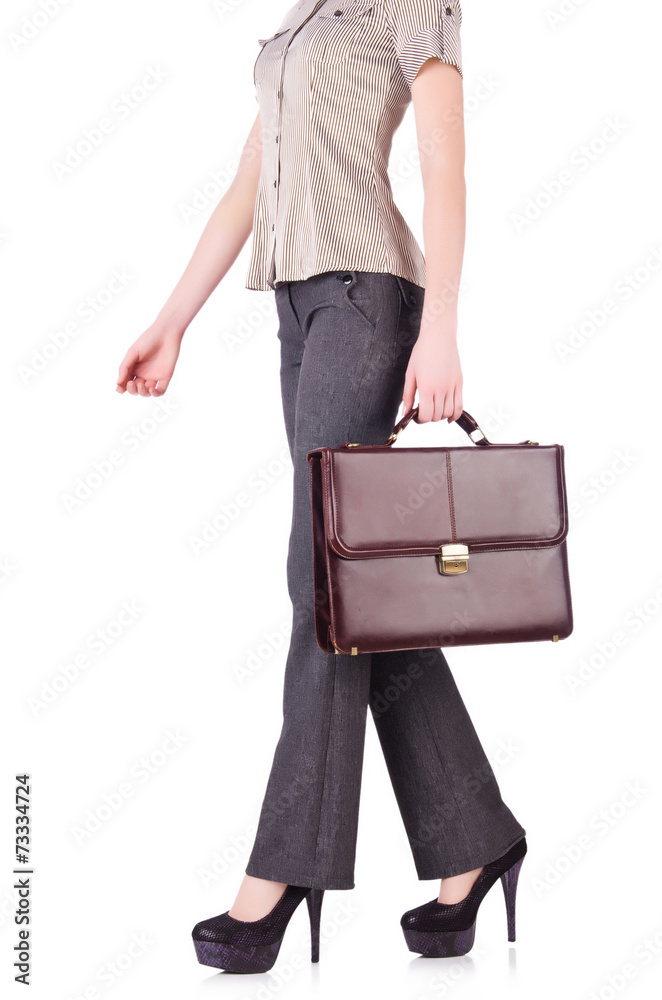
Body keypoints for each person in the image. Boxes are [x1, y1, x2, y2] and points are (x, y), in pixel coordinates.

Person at [116, 0, 527, 974]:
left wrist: (442, 331)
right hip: (300, 313)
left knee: (324, 584)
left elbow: (445, 164)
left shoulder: (409, 5)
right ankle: (474, 839)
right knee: (358, 593)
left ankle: (283, 866)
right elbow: (246, 185)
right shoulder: (301, 17)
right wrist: (171, 320)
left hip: (365, 301)